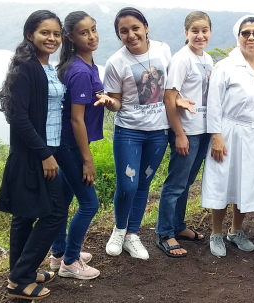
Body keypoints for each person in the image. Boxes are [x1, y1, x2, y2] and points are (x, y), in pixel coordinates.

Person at [0, 10, 67, 300]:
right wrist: (44, 154)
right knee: (55, 212)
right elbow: (18, 116)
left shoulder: (46, 67)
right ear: (30, 35)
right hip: (35, 153)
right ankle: (19, 278)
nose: (51, 38)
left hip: (44, 148)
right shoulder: (27, 67)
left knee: (24, 216)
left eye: (56, 34)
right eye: (45, 32)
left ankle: (22, 270)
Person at [202, 14, 254, 257]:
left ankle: (235, 231)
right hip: (230, 131)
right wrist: (216, 135)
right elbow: (214, 104)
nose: (251, 37)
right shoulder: (225, 66)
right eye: (245, 33)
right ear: (238, 36)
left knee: (246, 183)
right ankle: (216, 232)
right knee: (223, 181)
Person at [102, 7, 172, 260]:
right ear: (119, 35)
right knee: (127, 186)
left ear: (145, 27)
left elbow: (170, 89)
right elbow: (118, 102)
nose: (131, 35)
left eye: (135, 28)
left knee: (143, 184)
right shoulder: (115, 62)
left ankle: (132, 234)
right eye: (124, 31)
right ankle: (118, 230)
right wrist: (111, 104)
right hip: (129, 131)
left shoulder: (163, 50)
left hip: (158, 131)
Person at [49, 11, 114, 280]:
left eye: (94, 29)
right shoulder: (79, 71)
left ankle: (58, 254)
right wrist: (87, 159)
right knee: (89, 204)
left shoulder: (84, 66)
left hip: (67, 144)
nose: (92, 36)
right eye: (84, 32)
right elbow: (76, 119)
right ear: (71, 38)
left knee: (64, 201)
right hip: (72, 146)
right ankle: (70, 262)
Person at [155, 11, 213, 258]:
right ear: (186, 32)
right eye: (195, 31)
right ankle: (164, 233)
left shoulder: (207, 58)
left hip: (203, 130)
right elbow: (169, 97)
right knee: (175, 184)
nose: (200, 36)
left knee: (187, 182)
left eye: (204, 30)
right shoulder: (182, 59)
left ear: (210, 31)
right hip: (187, 131)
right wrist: (179, 134)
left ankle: (178, 226)